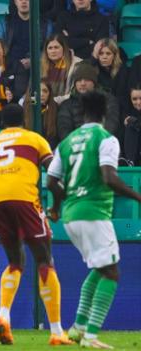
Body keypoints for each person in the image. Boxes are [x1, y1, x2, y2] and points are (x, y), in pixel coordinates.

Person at [46, 90, 141, 349]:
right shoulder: (106, 138)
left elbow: (51, 180)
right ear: (106, 113)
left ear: (81, 113)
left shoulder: (66, 142)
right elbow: (109, 177)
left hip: (70, 215)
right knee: (111, 272)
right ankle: (91, 335)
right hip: (94, 212)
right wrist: (137, 196)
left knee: (100, 269)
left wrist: (56, 206)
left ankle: (77, 328)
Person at [0, 104, 72, 346]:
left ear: (2, 122)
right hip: (24, 199)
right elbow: (53, 175)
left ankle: (3, 315)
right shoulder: (34, 139)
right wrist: (57, 206)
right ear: (24, 119)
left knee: (15, 262)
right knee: (45, 261)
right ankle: (56, 331)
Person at [57, 62, 120, 141]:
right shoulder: (66, 105)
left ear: (94, 82)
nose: (82, 83)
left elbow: (111, 124)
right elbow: (64, 129)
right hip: (76, 147)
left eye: (87, 80)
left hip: (101, 144)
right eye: (79, 80)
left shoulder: (108, 100)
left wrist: (95, 141)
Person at [0, 0, 52, 71]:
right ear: (15, 2)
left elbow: (49, 50)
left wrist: (34, 61)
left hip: (38, 68)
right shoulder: (5, 22)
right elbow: (0, 47)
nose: (24, 2)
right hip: (11, 67)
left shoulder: (46, 24)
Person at [40, 34, 83, 104]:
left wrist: (53, 102)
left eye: (56, 47)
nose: (53, 51)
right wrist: (34, 104)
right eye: (50, 48)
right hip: (42, 105)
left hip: (67, 105)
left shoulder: (77, 64)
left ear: (64, 48)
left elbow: (75, 93)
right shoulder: (40, 65)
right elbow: (31, 90)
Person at [86, 38, 128, 108]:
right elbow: (85, 79)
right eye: (101, 53)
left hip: (115, 107)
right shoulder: (93, 66)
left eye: (108, 53)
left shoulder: (122, 69)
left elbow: (121, 96)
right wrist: (94, 58)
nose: (104, 57)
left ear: (114, 55)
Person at [22, 79, 59, 147]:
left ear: (49, 94)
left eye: (45, 91)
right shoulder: (25, 109)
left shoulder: (55, 109)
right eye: (38, 91)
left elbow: (55, 137)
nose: (41, 94)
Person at [123, 85, 141, 165]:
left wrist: (135, 122)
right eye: (134, 99)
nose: (138, 102)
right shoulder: (128, 114)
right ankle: (130, 162)